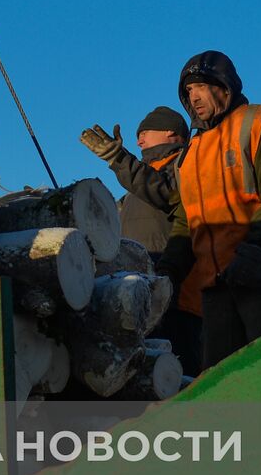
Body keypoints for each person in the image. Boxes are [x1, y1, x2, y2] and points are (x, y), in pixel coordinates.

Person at [158, 50, 261, 369]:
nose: (193, 98)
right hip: (214, 288)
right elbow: (185, 221)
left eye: (200, 87)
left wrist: (257, 251)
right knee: (221, 385)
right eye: (188, 91)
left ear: (224, 87)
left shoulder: (260, 122)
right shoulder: (190, 153)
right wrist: (168, 272)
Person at [80, 107, 203, 375]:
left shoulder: (186, 164)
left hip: (176, 291)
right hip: (139, 293)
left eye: (145, 133)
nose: (138, 141)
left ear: (171, 132)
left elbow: (164, 192)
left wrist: (118, 159)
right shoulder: (139, 183)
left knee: (180, 374)